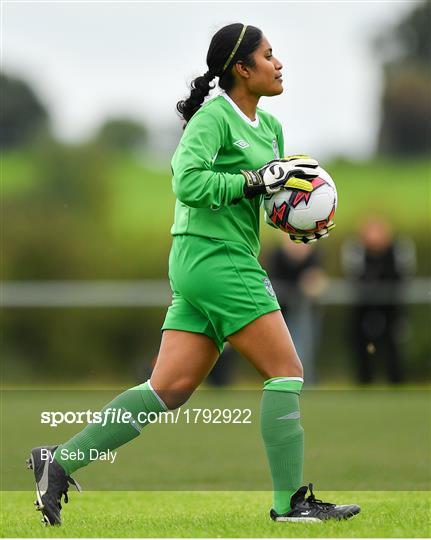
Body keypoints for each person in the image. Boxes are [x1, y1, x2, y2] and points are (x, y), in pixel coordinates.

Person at [28, 23, 360, 525]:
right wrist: (254, 180)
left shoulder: (269, 128)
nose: (279, 63)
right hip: (215, 257)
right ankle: (291, 505)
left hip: (207, 260)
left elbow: (262, 195)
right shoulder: (215, 118)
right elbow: (187, 180)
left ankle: (59, 461)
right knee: (286, 372)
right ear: (242, 69)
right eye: (269, 55)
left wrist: (288, 214)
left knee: (169, 387)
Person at [342, 216, 416, 384]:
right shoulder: (356, 250)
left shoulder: (398, 249)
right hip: (362, 309)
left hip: (392, 309)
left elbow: (403, 276)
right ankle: (364, 383)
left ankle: (396, 383)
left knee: (393, 345)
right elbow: (355, 277)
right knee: (361, 345)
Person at [267, 239, 328, 384]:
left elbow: (318, 283)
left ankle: (306, 382)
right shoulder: (277, 256)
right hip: (281, 314)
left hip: (306, 315)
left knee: (304, 350)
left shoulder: (314, 256)